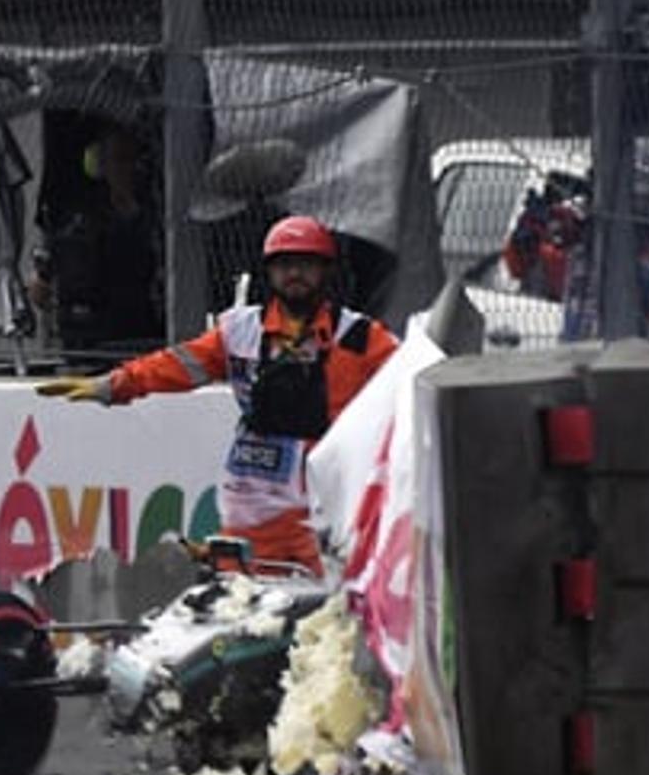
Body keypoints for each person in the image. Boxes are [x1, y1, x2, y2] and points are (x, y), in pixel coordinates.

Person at [36, 215, 398, 574]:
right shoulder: (239, 331)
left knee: (333, 610)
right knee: (243, 606)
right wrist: (113, 385)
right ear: (269, 272)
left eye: (306, 265)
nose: (295, 275)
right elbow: (176, 365)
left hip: (329, 495)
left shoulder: (360, 336)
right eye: (285, 265)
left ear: (326, 272)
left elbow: (413, 375)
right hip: (256, 496)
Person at [502, 143, 649, 341]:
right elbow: (522, 267)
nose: (648, 206)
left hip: (636, 359)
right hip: (577, 355)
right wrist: (532, 232)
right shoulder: (585, 250)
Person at [28, 126, 165, 358]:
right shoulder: (84, 214)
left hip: (141, 323)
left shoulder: (156, 211)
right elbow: (56, 258)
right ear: (102, 166)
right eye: (119, 160)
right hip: (96, 327)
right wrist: (42, 277)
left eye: (132, 161)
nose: (127, 169)